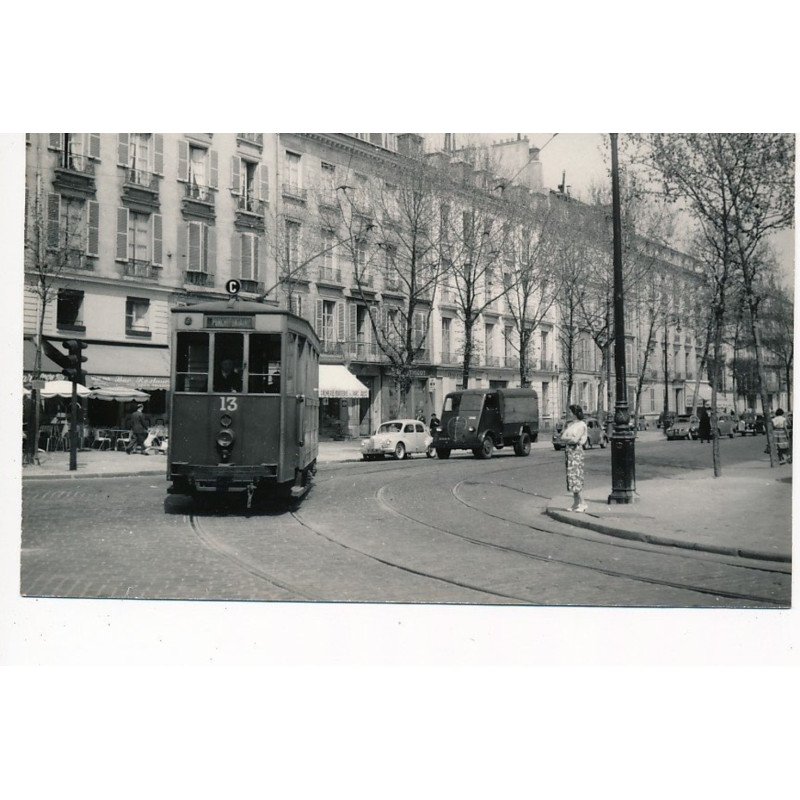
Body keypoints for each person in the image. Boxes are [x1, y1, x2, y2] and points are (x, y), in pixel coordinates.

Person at [560, 404, 589, 512]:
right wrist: (569, 438)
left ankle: (583, 503)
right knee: (571, 477)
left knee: (576, 476)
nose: (569, 414)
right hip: (569, 452)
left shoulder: (581, 425)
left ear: (575, 413)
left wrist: (569, 438)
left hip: (576, 452)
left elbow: (575, 440)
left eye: (571, 412)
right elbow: (562, 437)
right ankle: (576, 503)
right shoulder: (571, 424)